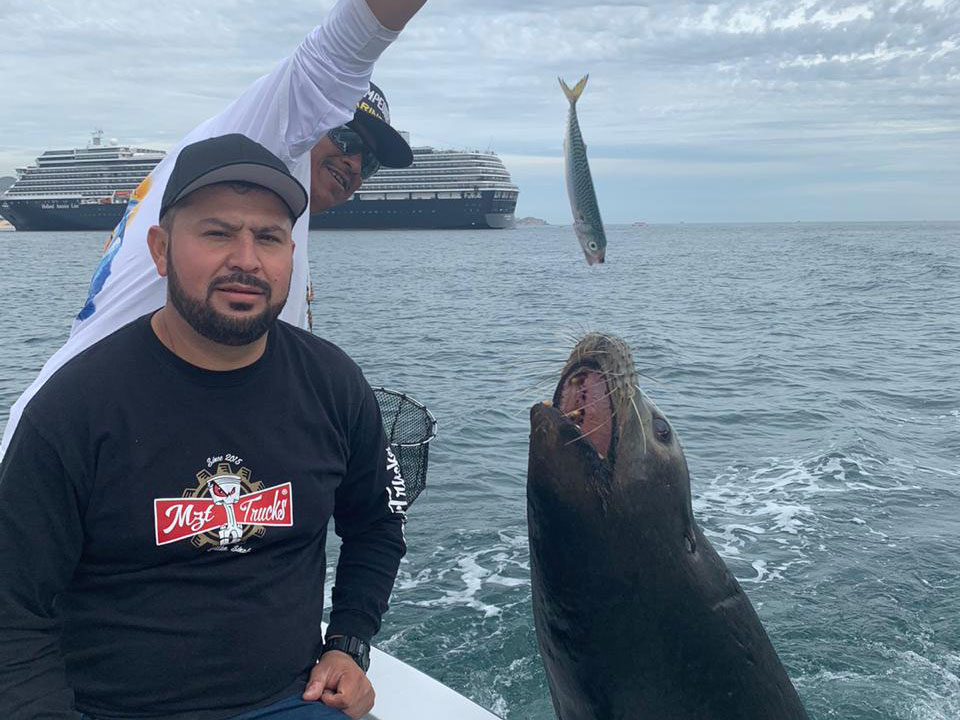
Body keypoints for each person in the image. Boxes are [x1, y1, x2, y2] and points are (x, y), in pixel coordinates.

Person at [0, 134, 408, 720]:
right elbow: (13, 606)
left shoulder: (333, 384)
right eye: (217, 233)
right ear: (161, 250)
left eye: (268, 237)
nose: (246, 259)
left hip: (292, 699)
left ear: (291, 253)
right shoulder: (74, 408)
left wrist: (348, 640)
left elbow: (378, 523)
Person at [0, 0, 425, 461]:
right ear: (313, 119)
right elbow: (345, 46)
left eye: (372, 161)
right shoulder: (263, 138)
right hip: (95, 443)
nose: (355, 163)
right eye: (346, 138)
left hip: (177, 447)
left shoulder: (273, 216)